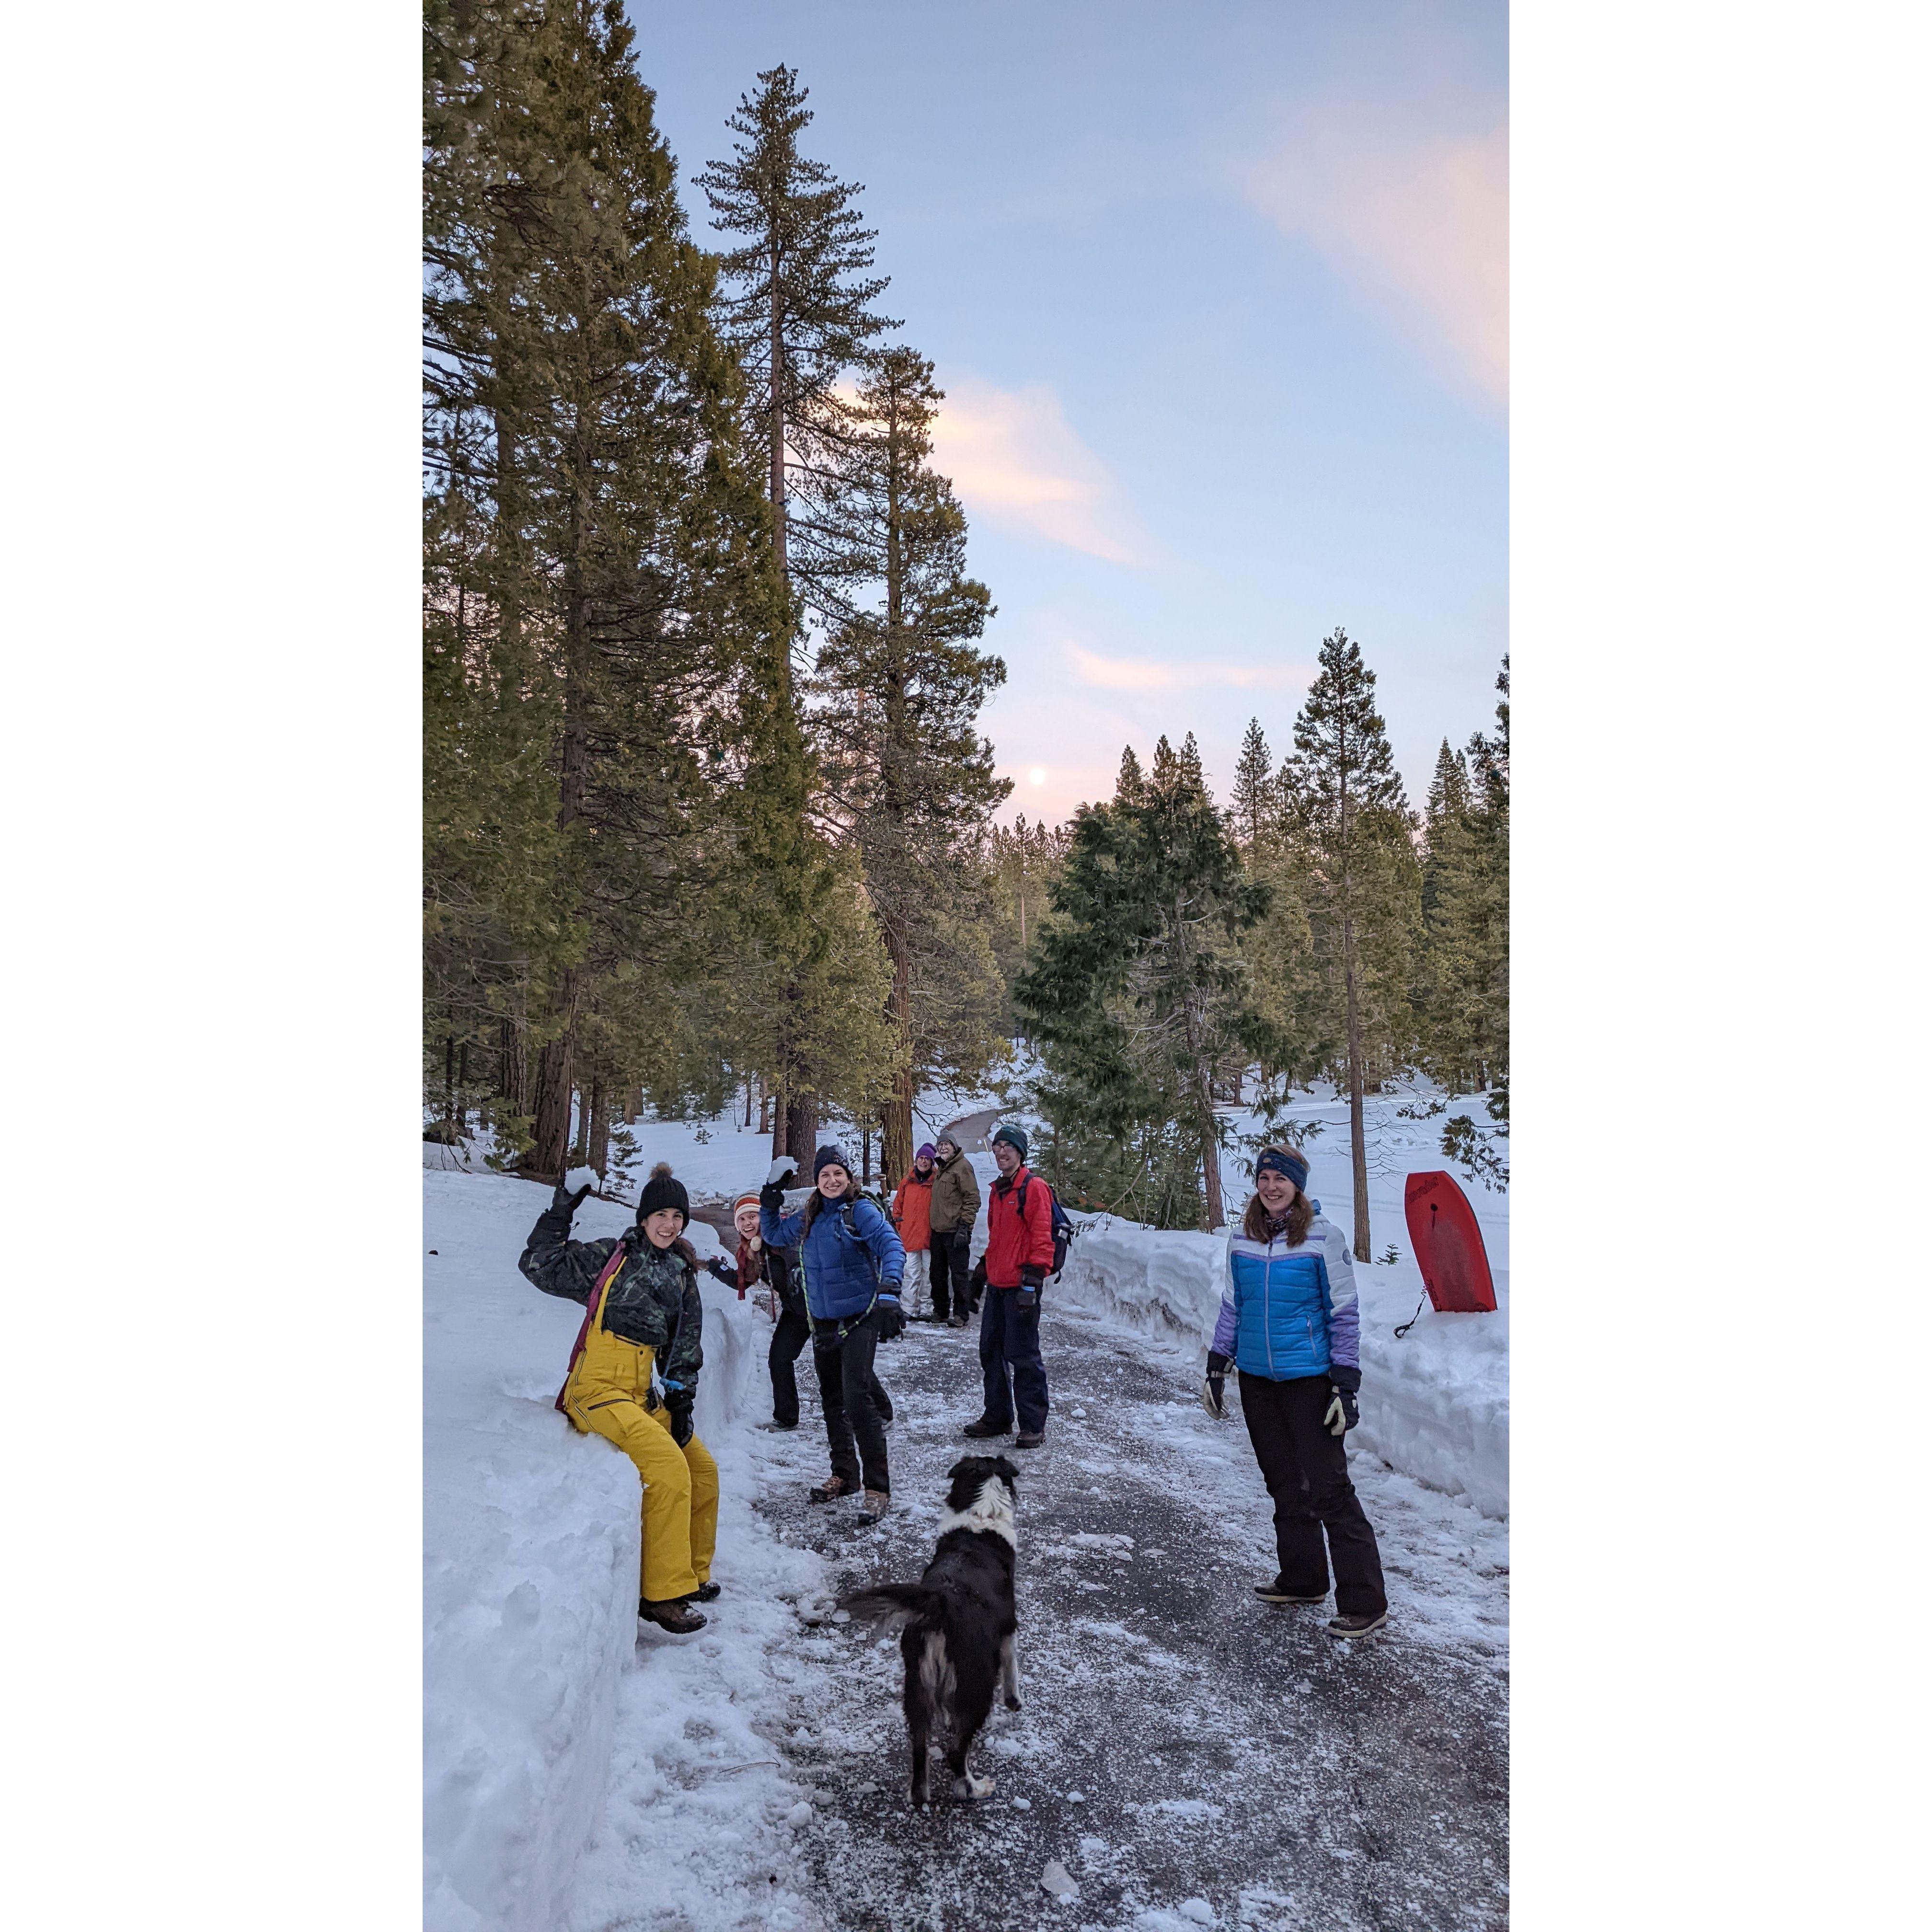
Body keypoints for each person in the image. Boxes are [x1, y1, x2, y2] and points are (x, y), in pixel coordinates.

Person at [520, 1161, 719, 1635]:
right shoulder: (612, 1259)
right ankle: (661, 1595)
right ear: (644, 1218)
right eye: (661, 1216)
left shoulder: (679, 1272)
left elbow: (683, 1345)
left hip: (641, 1392)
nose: (670, 1226)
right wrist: (561, 1211)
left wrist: (682, 1401)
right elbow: (539, 1265)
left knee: (701, 1469)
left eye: (678, 1217)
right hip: (597, 1388)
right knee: (667, 1469)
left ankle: (690, 1574)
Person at [1200, 1146, 1390, 1639]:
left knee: (1330, 1489)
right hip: (1260, 1380)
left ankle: (1365, 1602)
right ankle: (1304, 1579)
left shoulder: (1324, 1238)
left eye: (1280, 1179)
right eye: (1264, 1178)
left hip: (1310, 1381)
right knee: (1285, 1484)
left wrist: (1345, 1386)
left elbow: (1344, 1315)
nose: (1270, 1187)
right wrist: (1217, 1364)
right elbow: (1232, 1304)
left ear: (1297, 1186)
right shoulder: (1242, 1236)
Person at [761, 1145, 907, 1519]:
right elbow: (775, 1235)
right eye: (825, 1175)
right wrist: (770, 1196)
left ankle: (878, 1489)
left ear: (848, 1178)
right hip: (823, 1321)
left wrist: (890, 1289)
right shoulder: (810, 1214)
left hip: (860, 1318)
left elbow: (892, 1246)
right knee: (832, 1401)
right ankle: (845, 1476)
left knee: (858, 1400)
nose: (831, 1181)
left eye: (837, 1174)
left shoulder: (860, 1211)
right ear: (817, 1180)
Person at [961, 1124, 1053, 1449]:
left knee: (1023, 1355)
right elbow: (999, 1241)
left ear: (1020, 1152)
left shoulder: (1034, 1188)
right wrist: (979, 1276)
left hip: (1021, 1288)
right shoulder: (999, 1190)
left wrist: (1032, 1282)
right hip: (999, 1287)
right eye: (998, 1146)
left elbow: (1042, 1238)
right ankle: (997, 1417)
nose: (1001, 1152)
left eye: (1008, 1147)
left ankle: (1032, 1424)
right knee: (991, 1353)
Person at [705, 1192, 810, 1431]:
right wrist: (714, 1266)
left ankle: (876, 1412)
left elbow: (797, 1258)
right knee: (779, 1358)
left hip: (822, 1307)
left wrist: (797, 1274)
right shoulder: (752, 1251)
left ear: (765, 1218)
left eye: (753, 1216)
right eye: (742, 1220)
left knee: (843, 1365)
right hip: (796, 1312)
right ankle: (786, 1418)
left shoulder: (783, 1237)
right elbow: (742, 1280)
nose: (747, 1223)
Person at [927, 1129, 982, 1328]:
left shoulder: (962, 1167)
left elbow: (973, 1198)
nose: (943, 1147)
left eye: (947, 1144)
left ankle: (961, 1314)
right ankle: (941, 1311)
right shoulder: (942, 1168)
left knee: (959, 1276)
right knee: (937, 1274)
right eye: (940, 1144)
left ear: (954, 1146)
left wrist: (965, 1227)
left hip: (955, 1232)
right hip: (938, 1232)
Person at [892, 1144, 939, 1319]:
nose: (924, 1162)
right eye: (921, 1158)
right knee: (911, 1273)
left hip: (929, 1236)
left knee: (928, 1275)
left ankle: (926, 1308)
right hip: (910, 1236)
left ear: (932, 1162)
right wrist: (899, 1223)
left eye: (928, 1159)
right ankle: (908, 1308)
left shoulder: (936, 1181)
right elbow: (898, 1204)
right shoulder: (907, 1181)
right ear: (916, 1160)